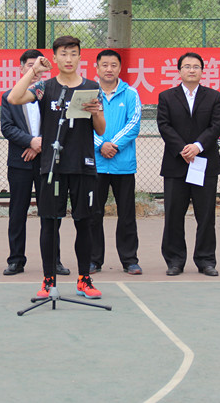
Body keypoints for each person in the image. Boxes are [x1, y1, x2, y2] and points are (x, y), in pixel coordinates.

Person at [8, 35, 106, 300]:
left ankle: (84, 279)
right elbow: (14, 98)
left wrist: (96, 112)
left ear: (80, 57)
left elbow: (101, 129)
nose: (69, 59)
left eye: (73, 53)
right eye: (63, 53)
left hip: (83, 165)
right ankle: (48, 280)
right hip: (52, 166)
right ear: (54, 58)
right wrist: (33, 71)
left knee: (84, 223)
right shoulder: (45, 87)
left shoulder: (91, 87)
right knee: (49, 224)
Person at [0, 48, 70, 276]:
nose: (35, 70)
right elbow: (7, 128)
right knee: (17, 212)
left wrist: (40, 145)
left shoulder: (50, 94)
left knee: (50, 212)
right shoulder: (9, 96)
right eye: (30, 65)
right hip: (19, 161)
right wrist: (30, 142)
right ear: (21, 68)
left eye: (39, 66)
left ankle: (53, 260)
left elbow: (60, 124)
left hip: (47, 161)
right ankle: (15, 260)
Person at [157, 52, 220, 277]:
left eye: (196, 66)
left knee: (206, 215)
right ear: (179, 71)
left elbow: (216, 126)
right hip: (176, 163)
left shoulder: (213, 96)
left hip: (205, 163)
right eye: (187, 66)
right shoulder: (167, 97)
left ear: (202, 71)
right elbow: (164, 125)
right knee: (174, 215)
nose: (191, 70)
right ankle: (175, 260)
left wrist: (197, 146)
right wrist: (183, 149)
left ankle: (206, 260)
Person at [90, 49, 142, 275]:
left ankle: (130, 260)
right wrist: (100, 145)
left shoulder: (131, 93)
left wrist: (114, 145)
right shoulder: (88, 93)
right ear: (97, 68)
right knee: (93, 214)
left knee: (127, 215)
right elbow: (82, 124)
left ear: (120, 68)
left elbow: (134, 123)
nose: (109, 69)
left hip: (123, 164)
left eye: (113, 65)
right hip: (95, 164)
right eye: (105, 65)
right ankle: (93, 260)